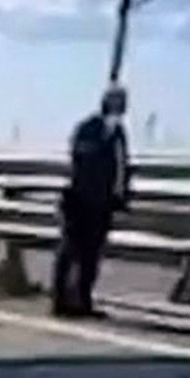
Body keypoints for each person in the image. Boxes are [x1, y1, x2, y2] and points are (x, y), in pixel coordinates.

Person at [52, 85, 131, 318]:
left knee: (91, 254)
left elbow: (121, 167)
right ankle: (60, 301)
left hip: (102, 203)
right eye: (117, 100)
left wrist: (121, 195)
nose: (121, 105)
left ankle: (83, 300)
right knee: (70, 251)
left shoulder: (118, 132)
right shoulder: (90, 127)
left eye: (123, 101)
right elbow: (79, 155)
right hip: (80, 199)